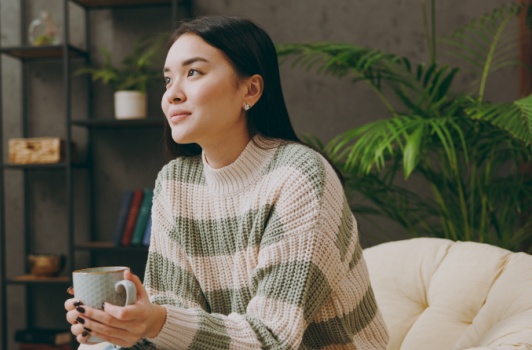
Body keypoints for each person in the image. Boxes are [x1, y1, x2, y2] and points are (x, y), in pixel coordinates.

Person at [65, 16, 390, 349]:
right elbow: (174, 319)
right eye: (167, 79)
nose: (172, 95)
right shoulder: (175, 183)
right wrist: (121, 327)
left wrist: (156, 321)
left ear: (250, 89)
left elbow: (273, 340)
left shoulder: (299, 176)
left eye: (193, 72)